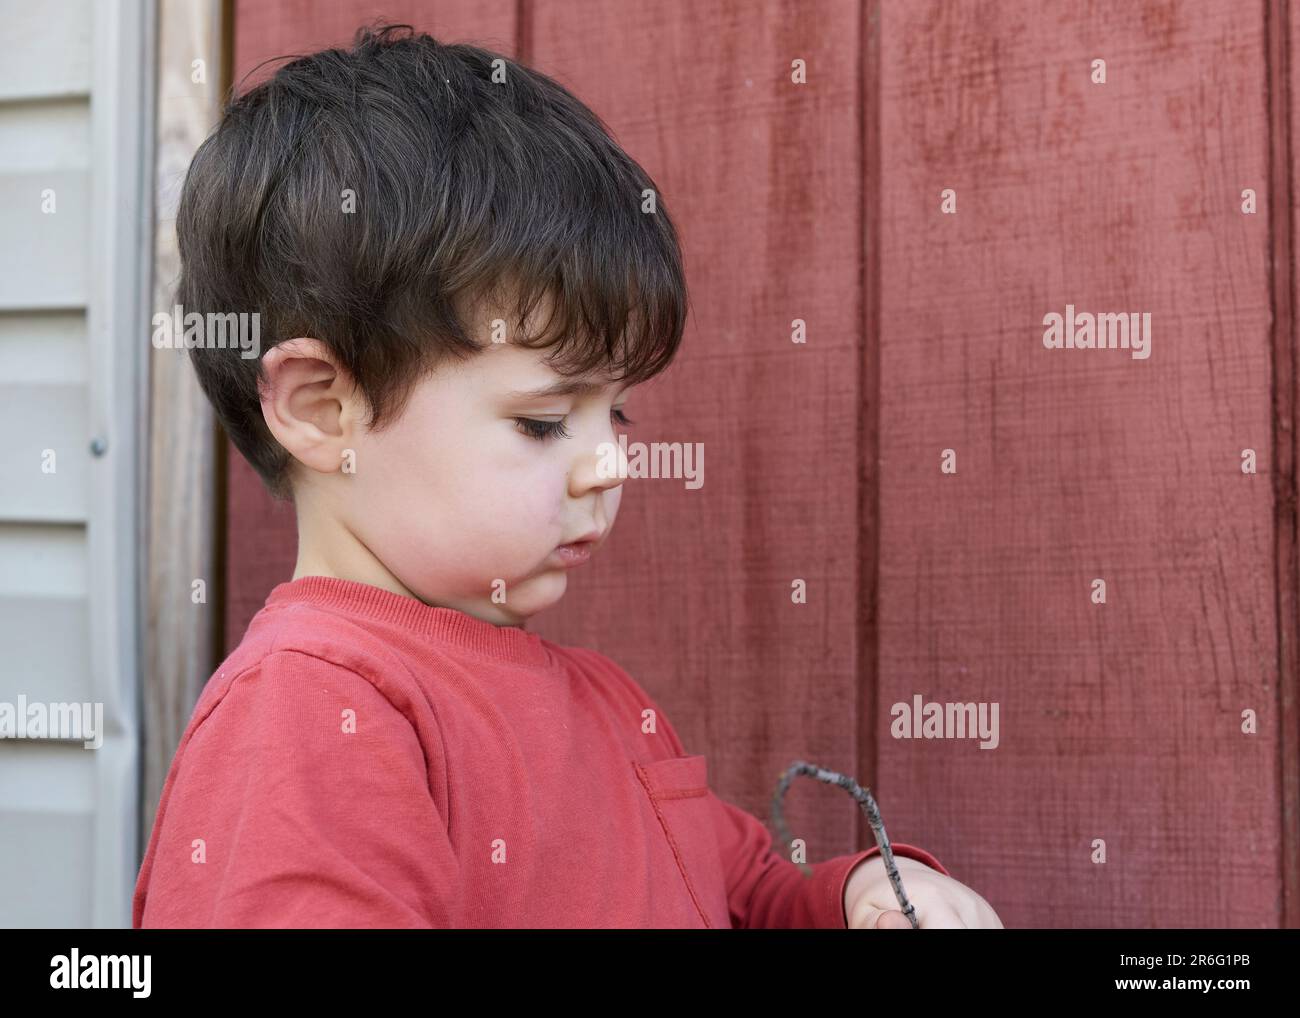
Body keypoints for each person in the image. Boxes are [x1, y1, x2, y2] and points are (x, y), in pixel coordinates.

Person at [133, 23, 1001, 930]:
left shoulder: (601, 702)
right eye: (544, 420)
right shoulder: (314, 708)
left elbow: (742, 892)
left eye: (616, 412)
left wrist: (858, 895)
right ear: (322, 409)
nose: (612, 462)